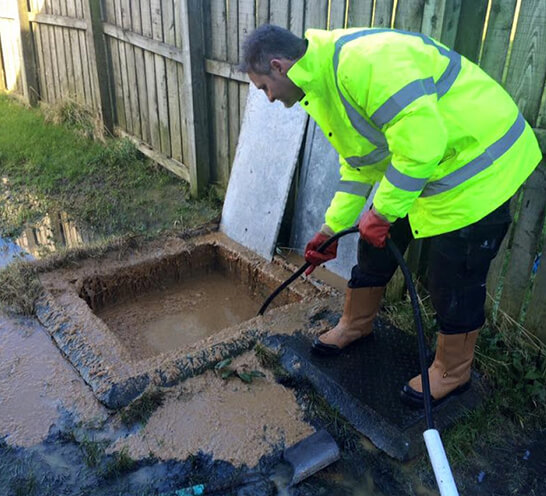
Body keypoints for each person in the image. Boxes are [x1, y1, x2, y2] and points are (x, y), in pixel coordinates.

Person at [239, 24, 542, 407]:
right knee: (373, 245)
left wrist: (382, 212)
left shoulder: (363, 63)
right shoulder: (323, 83)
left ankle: (453, 372)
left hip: (480, 166)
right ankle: (356, 324)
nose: (266, 98)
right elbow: (360, 166)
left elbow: (423, 145)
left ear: (279, 67)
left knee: (453, 276)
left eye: (264, 87)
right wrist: (331, 229)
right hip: (427, 166)